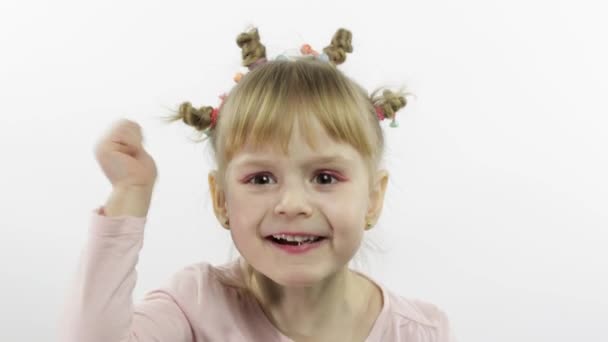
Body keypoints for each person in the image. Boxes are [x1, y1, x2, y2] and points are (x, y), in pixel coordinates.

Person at [60, 27, 455, 342]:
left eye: (325, 177)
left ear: (373, 198)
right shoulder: (193, 307)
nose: (293, 203)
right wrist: (130, 194)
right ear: (221, 200)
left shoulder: (422, 332)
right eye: (261, 178)